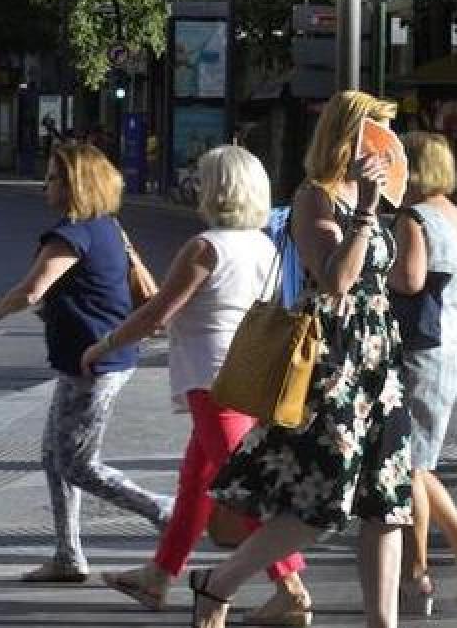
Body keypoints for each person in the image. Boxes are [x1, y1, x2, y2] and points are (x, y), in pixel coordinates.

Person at [192, 91, 413, 628]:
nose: (387, 143)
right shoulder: (315, 197)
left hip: (379, 367)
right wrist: (363, 210)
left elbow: (403, 278)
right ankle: (217, 585)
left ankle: (383, 624)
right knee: (320, 502)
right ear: (349, 136)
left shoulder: (378, 198)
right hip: (333, 365)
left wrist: (398, 211)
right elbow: (335, 281)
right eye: (376, 131)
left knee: (387, 502)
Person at [82, 145, 312, 624]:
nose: (195, 185)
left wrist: (104, 346)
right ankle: (159, 575)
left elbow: (157, 313)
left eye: (203, 178)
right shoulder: (265, 245)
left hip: (211, 379)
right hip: (248, 375)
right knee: (197, 481)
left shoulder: (205, 247)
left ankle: (290, 586)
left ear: (217, 188)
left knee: (239, 484)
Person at [0, 143, 172, 582]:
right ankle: (68, 554)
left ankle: (162, 510)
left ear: (74, 185)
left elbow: (33, 290)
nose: (45, 185)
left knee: (77, 464)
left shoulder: (71, 235)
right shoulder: (107, 226)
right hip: (93, 359)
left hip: (94, 362)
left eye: (53, 177)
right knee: (54, 456)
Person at [388, 132, 457, 613]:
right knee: (419, 460)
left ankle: (419, 573)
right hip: (453, 342)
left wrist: (376, 269)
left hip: (420, 347)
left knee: (409, 463)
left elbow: (410, 280)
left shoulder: (414, 218)